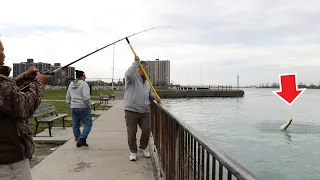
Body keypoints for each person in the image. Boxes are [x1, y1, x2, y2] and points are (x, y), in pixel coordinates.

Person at [0, 39, 50, 180]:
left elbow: (6, 93)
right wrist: (39, 83)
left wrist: (25, 77)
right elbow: (25, 106)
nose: (4, 55)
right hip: (9, 161)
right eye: (1, 50)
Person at [124, 55, 161, 161]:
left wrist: (155, 98)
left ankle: (142, 147)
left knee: (146, 130)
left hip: (145, 110)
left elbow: (149, 93)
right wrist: (135, 62)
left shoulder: (147, 81)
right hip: (131, 109)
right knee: (132, 132)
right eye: (146, 68)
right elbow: (127, 74)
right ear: (140, 68)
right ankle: (133, 152)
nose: (147, 70)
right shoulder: (132, 78)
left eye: (148, 69)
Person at [66, 70, 93, 147]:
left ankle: (78, 140)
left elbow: (67, 97)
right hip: (83, 107)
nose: (85, 77)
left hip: (74, 107)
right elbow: (86, 97)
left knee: (75, 124)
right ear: (82, 76)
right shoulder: (84, 84)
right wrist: (89, 105)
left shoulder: (71, 84)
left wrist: (71, 103)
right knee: (88, 123)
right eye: (84, 76)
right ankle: (82, 138)